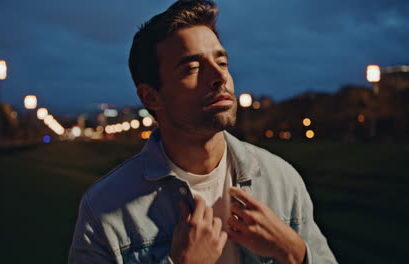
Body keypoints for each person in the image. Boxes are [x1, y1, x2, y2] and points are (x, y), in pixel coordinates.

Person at [69, 1, 336, 263]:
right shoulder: (104, 209)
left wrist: (296, 253)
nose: (218, 77)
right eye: (192, 68)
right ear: (151, 97)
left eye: (221, 62)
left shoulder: (281, 180)